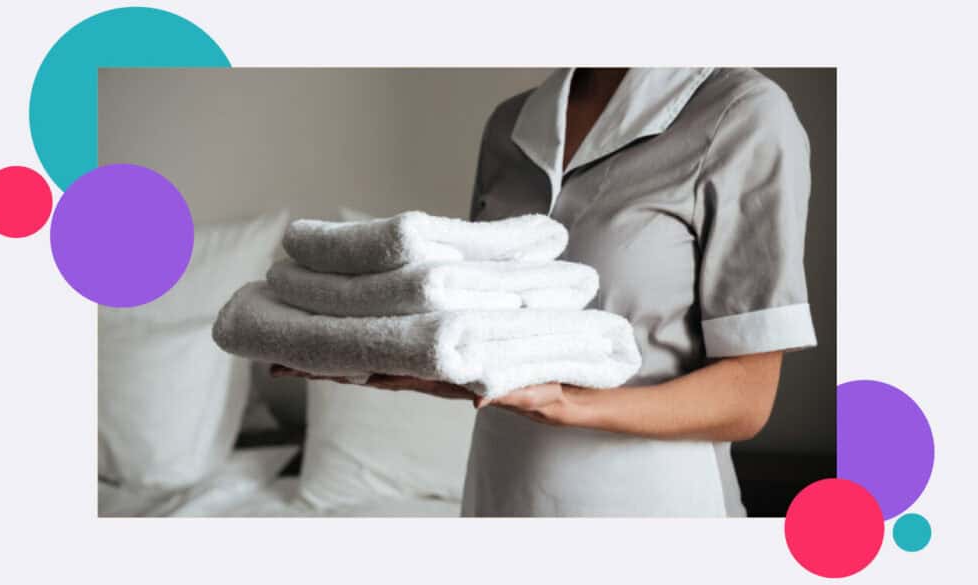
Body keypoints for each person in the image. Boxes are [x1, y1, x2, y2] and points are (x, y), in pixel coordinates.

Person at [284, 68, 816, 516]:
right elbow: (491, 339)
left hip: (651, 502)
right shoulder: (511, 126)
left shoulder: (741, 112)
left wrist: (571, 405)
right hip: (503, 490)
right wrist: (407, 366)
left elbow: (747, 399)